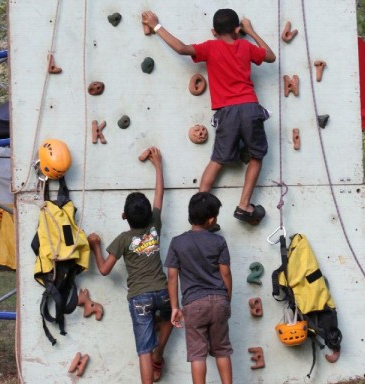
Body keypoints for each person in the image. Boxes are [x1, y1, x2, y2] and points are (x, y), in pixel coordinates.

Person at [142, 9, 276, 226]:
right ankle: (244, 205)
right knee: (257, 156)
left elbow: (181, 48)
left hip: (227, 112)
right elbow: (270, 56)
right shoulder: (245, 45)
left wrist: (156, 26)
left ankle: (200, 214)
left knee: (217, 161)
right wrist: (250, 32)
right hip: (250, 107)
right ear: (237, 30)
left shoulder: (210, 47)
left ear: (214, 31)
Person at [87, 147, 173, 383]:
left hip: (140, 298)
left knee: (142, 349)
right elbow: (159, 194)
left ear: (124, 216)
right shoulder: (155, 224)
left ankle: (152, 357)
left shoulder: (123, 239)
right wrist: (158, 165)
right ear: (149, 214)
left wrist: (95, 245)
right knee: (169, 318)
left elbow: (104, 270)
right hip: (163, 293)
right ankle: (160, 354)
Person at [165, 192, 233, 384]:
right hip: (219, 300)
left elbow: (172, 276)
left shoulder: (177, 243)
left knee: (197, 354)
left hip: (193, 304)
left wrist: (175, 307)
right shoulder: (219, 242)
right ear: (211, 220)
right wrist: (227, 300)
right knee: (222, 350)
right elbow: (226, 274)